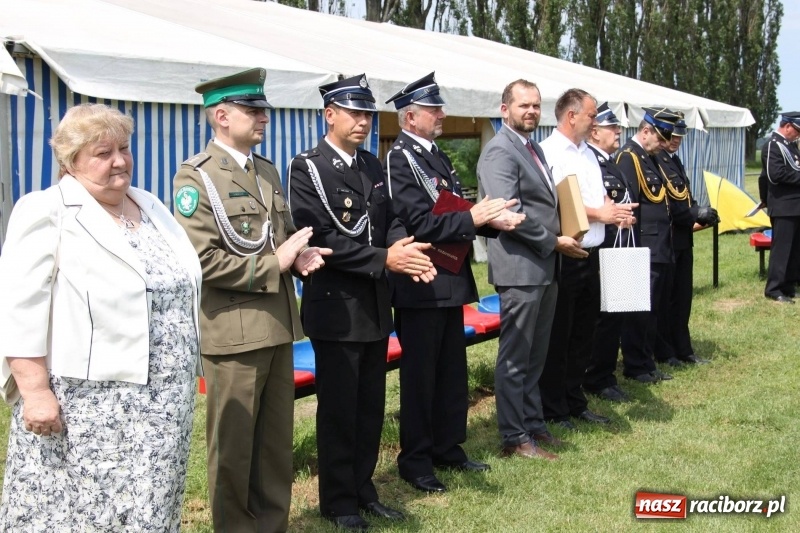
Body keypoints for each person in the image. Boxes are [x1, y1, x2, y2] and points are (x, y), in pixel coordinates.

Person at [0, 103, 203, 531]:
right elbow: (19, 308)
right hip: (89, 409)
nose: (119, 161)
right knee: (79, 515)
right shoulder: (47, 210)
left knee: (150, 508)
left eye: (124, 148)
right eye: (103, 152)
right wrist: (34, 391)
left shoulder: (148, 205)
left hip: (164, 405)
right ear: (71, 160)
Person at [173, 68, 330, 533]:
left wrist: (298, 257)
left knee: (275, 447)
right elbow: (200, 261)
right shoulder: (195, 178)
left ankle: (271, 526)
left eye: (264, 109)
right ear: (221, 116)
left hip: (277, 324)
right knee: (235, 449)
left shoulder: (264, 170)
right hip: (233, 332)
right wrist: (275, 265)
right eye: (252, 110)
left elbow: (272, 240)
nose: (264, 117)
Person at [288, 74, 436, 530]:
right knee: (339, 409)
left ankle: (363, 488)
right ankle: (338, 501)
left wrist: (402, 251)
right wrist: (385, 258)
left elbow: (388, 219)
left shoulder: (371, 164)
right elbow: (323, 236)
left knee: (370, 406)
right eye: (353, 113)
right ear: (329, 114)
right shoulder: (307, 167)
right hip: (336, 305)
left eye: (367, 114)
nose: (362, 122)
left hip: (374, 303)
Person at [384, 72, 524, 493]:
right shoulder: (400, 159)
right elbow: (418, 222)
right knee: (422, 376)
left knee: (450, 373)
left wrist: (492, 220)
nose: (441, 114)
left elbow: (455, 208)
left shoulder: (435, 156)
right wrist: (473, 218)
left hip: (450, 278)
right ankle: (416, 460)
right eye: (433, 109)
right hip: (422, 279)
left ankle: (448, 448)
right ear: (410, 118)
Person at [477, 79, 587, 460]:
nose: (531, 112)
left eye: (537, 105)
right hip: (521, 268)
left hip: (543, 267)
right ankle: (513, 437)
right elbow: (508, 212)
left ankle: (533, 425)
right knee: (515, 358)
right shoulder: (498, 152)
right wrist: (554, 240)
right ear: (504, 109)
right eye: (523, 105)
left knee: (534, 356)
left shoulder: (531, 146)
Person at [538, 89, 635, 429]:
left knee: (584, 333)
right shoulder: (550, 152)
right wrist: (602, 214)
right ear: (571, 116)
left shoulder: (589, 155)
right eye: (592, 115)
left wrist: (616, 212)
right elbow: (559, 203)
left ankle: (574, 400)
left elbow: (598, 197)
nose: (595, 122)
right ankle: (554, 407)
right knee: (560, 334)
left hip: (592, 252)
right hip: (567, 254)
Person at [616, 107, 679, 383]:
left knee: (652, 309)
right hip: (644, 244)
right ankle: (636, 365)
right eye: (660, 137)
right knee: (639, 311)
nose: (664, 144)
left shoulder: (649, 157)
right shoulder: (629, 157)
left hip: (659, 244)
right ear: (646, 131)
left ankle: (647, 360)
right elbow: (629, 205)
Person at [583, 103, 636, 403]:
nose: (618, 132)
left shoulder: (610, 162)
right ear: (594, 132)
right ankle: (597, 377)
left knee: (614, 314)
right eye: (611, 128)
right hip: (602, 247)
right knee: (603, 317)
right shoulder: (592, 163)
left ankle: (605, 373)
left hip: (619, 244)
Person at [657, 115, 716, 363]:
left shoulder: (674, 160)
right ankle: (666, 351)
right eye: (673, 135)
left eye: (680, 136)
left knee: (682, 297)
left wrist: (698, 214)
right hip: (667, 236)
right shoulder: (654, 160)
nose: (677, 140)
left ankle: (683, 348)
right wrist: (694, 213)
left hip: (682, 236)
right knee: (666, 299)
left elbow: (684, 196)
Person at [758, 111, 800, 303]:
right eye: (797, 130)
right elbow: (775, 175)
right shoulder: (772, 146)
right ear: (788, 126)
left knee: (794, 250)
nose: (798, 135)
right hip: (784, 206)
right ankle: (774, 288)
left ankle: (789, 285)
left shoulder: (790, 146)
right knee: (782, 250)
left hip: (795, 206)